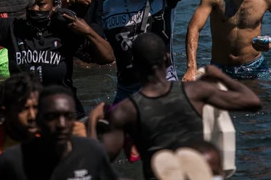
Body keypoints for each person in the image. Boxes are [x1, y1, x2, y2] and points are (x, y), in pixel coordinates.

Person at [90, 33, 261, 180]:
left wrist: (92, 122)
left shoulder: (126, 110)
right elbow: (252, 102)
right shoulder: (195, 91)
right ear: (166, 58)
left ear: (134, 66)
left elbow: (97, 164)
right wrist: (221, 76)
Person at [0, 0, 115, 117]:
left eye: (41, 4)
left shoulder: (66, 30)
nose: (35, 9)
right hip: (25, 112)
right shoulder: (12, 27)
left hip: (62, 112)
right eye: (31, 4)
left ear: (54, 6)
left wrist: (88, 31)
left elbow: (107, 57)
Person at [0, 86, 118, 180]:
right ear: (37, 120)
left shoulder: (92, 152)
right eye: (51, 117)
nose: (61, 124)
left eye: (68, 116)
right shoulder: (11, 161)